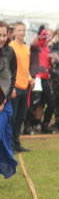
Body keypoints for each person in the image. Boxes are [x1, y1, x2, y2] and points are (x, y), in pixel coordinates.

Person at [9, 22, 32, 152]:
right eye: (19, 30)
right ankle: (10, 145)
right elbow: (8, 68)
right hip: (15, 86)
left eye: (23, 30)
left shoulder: (26, 47)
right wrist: (11, 87)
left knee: (20, 117)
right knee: (12, 116)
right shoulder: (11, 47)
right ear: (14, 32)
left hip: (25, 86)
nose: (22, 33)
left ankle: (17, 143)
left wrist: (30, 78)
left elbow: (26, 67)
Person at [29, 28, 55, 134]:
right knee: (34, 102)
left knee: (50, 103)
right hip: (37, 77)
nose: (46, 37)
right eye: (45, 35)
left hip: (46, 78)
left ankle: (45, 124)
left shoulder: (48, 49)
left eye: (49, 36)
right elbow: (32, 43)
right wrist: (39, 34)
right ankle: (29, 125)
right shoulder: (37, 46)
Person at [0, 21, 18, 179]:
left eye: (4, 35)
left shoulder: (10, 52)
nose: (1, 38)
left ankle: (5, 166)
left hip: (4, 103)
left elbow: (12, 77)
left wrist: (3, 100)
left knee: (3, 135)